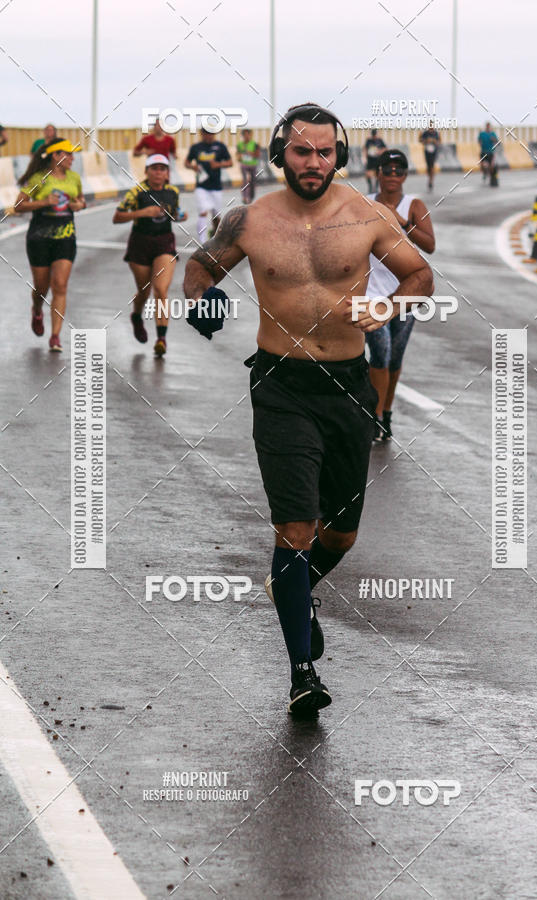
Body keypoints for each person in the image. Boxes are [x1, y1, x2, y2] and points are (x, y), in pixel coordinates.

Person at [183, 103, 433, 716]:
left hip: (348, 384)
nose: (314, 163)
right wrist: (199, 299)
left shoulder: (367, 216)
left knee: (339, 536)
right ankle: (302, 671)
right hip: (281, 385)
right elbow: (198, 268)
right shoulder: (249, 219)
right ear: (281, 155)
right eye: (301, 151)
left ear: (339, 156)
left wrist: (388, 307)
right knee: (295, 530)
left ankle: (291, 590)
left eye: (324, 152)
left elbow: (420, 275)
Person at [364, 151, 435, 442]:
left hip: (405, 294)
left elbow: (430, 245)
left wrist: (403, 223)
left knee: (394, 360)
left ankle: (387, 414)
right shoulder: (365, 203)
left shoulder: (414, 205)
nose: (393, 176)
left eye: (399, 171)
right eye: (387, 170)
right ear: (378, 173)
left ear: (405, 175)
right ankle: (375, 417)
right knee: (380, 354)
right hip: (371, 294)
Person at [112, 154, 187, 357]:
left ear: (167, 173)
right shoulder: (137, 192)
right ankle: (136, 315)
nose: (158, 172)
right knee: (143, 291)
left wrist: (181, 216)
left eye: (162, 169)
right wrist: (142, 213)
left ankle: (161, 338)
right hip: (140, 243)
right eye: (154, 168)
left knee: (161, 290)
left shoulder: (172, 192)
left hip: (164, 243)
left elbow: (177, 212)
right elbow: (117, 217)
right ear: (147, 171)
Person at [15, 139, 85, 351]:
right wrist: (45, 202)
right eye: (69, 154)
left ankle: (55, 336)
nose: (73, 158)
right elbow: (19, 206)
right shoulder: (40, 178)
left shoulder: (74, 178)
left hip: (65, 236)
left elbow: (81, 200)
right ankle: (37, 309)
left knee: (60, 285)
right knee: (42, 287)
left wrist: (78, 204)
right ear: (56, 155)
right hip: (40, 237)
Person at [185, 127, 232, 241]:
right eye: (206, 133)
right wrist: (193, 166)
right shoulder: (196, 148)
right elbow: (187, 162)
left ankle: (216, 237)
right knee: (203, 211)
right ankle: (202, 241)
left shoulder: (220, 146)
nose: (209, 135)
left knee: (216, 216)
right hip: (201, 186)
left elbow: (230, 162)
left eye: (211, 133)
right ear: (201, 133)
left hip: (216, 186)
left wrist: (218, 164)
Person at [236, 128, 260, 204]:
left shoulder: (255, 144)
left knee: (252, 182)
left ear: (250, 135)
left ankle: (251, 196)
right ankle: (245, 197)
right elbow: (238, 155)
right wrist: (239, 157)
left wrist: (250, 153)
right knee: (245, 180)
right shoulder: (240, 145)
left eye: (248, 135)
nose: (246, 136)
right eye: (245, 135)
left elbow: (257, 155)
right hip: (244, 165)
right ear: (242, 136)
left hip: (253, 165)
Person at [419, 120, 440, 190]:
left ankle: (431, 181)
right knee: (428, 167)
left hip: (434, 152)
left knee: (432, 166)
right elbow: (421, 140)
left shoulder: (436, 133)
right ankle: (429, 177)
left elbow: (439, 142)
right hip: (427, 151)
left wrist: (434, 141)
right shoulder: (425, 133)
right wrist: (426, 141)